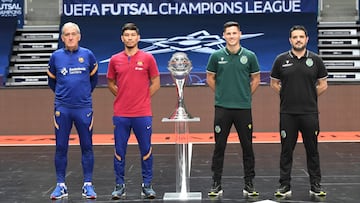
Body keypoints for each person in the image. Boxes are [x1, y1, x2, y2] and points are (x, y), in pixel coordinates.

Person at [270, 25, 328, 197]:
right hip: (287, 113)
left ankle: (315, 185)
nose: (298, 40)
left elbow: (323, 84)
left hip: (310, 113)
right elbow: (274, 83)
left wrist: (309, 95)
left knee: (313, 150)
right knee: (286, 151)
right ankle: (284, 186)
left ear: (307, 39)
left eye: (301, 37)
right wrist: (287, 94)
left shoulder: (316, 60)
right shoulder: (281, 60)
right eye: (295, 37)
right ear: (290, 40)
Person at [206, 21, 261, 197]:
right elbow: (210, 78)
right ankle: (216, 184)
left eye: (234, 33)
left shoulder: (250, 56)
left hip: (243, 108)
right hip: (222, 108)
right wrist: (223, 94)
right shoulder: (216, 56)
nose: (231, 36)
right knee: (219, 147)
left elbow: (256, 79)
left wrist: (244, 94)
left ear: (240, 34)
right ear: (224, 36)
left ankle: (249, 184)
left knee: (247, 147)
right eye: (228, 33)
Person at [107, 22, 160, 200]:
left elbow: (156, 82)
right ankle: (119, 185)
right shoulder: (115, 59)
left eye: (132, 35)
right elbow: (111, 83)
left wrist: (143, 97)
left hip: (142, 114)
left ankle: (147, 185)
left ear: (138, 37)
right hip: (121, 114)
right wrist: (122, 95)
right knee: (119, 151)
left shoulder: (148, 58)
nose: (129, 38)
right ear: (122, 38)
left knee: (146, 150)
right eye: (126, 35)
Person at [47, 22, 98, 200]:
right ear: (62, 38)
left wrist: (81, 96)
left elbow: (93, 81)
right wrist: (65, 98)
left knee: (87, 147)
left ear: (79, 36)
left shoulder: (88, 55)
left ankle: (88, 185)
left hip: (83, 108)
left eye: (73, 34)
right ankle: (61, 185)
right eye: (67, 34)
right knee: (61, 147)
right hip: (63, 109)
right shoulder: (55, 57)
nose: (70, 37)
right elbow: (52, 82)